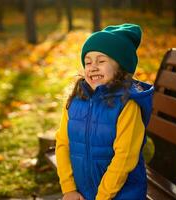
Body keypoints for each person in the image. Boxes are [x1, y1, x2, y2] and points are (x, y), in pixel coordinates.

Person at [55, 23, 154, 200]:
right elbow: (63, 144)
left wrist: (103, 197)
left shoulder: (127, 104)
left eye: (101, 61)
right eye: (88, 62)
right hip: (83, 192)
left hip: (122, 193)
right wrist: (68, 188)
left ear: (121, 69)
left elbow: (125, 157)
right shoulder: (75, 100)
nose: (93, 67)